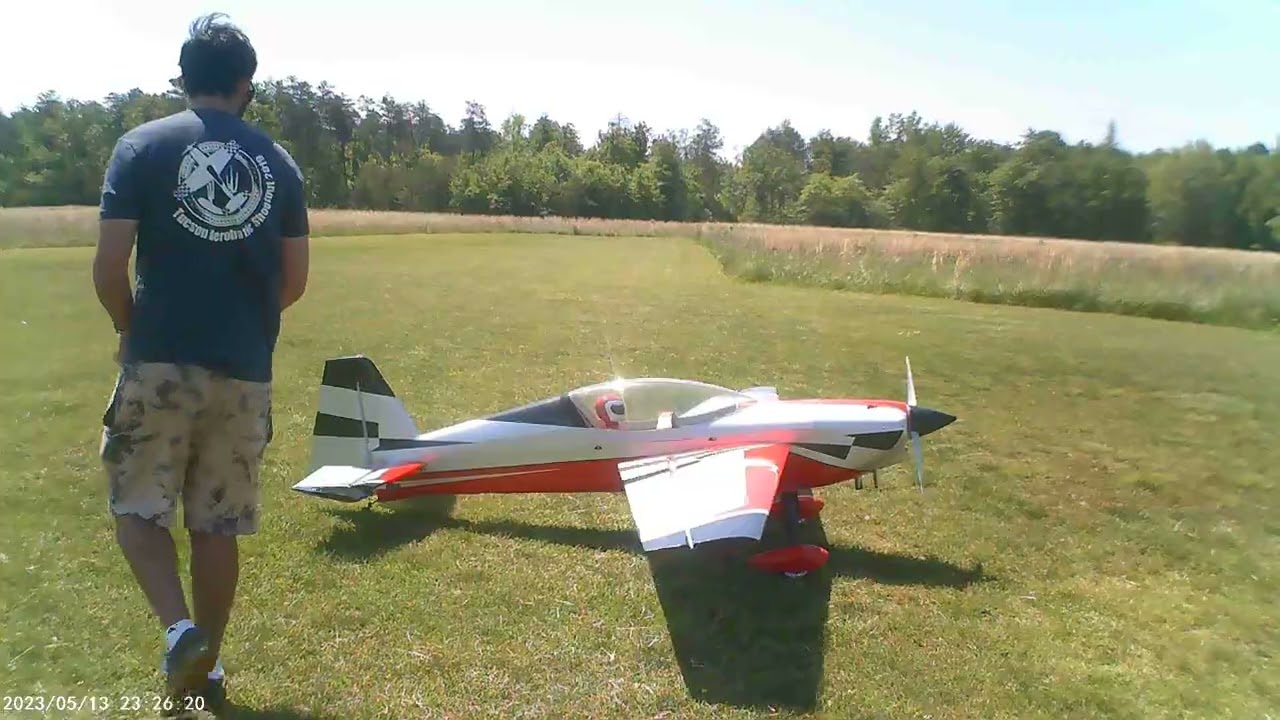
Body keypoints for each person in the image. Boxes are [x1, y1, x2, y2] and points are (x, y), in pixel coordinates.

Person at [92, 12, 309, 711]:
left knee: (136, 508)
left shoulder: (139, 147)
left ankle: (180, 632)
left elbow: (107, 266)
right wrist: (246, 324)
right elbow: (294, 280)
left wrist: (131, 330)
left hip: (158, 360)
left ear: (183, 78)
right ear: (248, 85)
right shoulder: (279, 163)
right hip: (245, 369)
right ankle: (206, 667)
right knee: (217, 523)